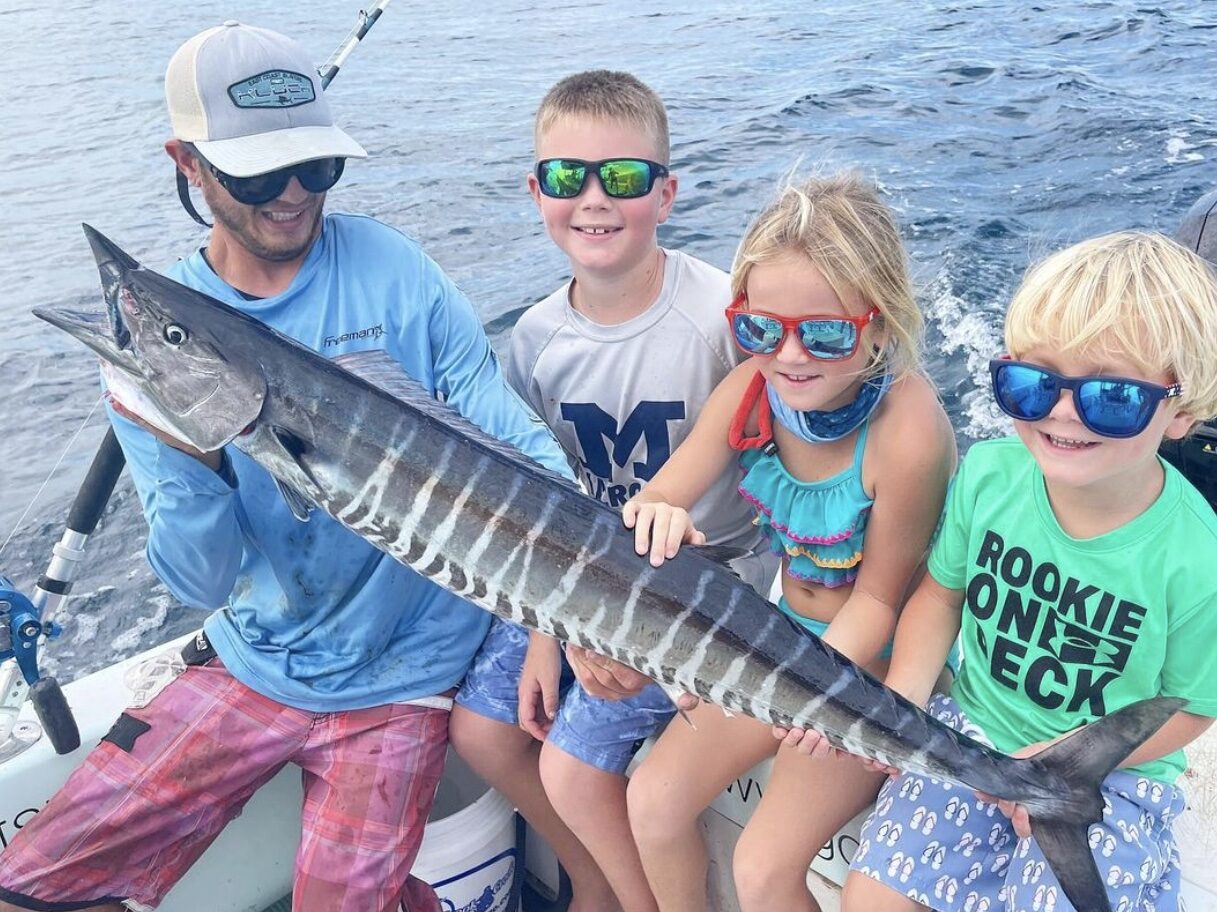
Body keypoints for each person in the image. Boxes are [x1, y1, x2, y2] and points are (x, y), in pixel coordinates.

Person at [0, 22, 573, 912]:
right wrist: (192, 459)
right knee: (27, 888)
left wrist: (574, 600)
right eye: (259, 173)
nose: (294, 195)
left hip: (409, 670)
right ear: (186, 162)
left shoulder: (392, 269)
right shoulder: (157, 350)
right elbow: (204, 576)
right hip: (252, 660)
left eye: (317, 167)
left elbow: (508, 436)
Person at [450, 70, 777, 912]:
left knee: (573, 761)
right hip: (570, 582)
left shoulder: (718, 315)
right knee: (481, 731)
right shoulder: (532, 339)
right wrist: (545, 633)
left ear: (665, 195)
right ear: (536, 192)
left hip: (702, 585)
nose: (593, 200)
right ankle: (590, 874)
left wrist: (625, 639)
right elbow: (522, 504)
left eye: (623, 178)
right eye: (567, 178)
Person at [839, 231, 1217, 912]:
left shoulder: (1197, 559)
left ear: (1180, 413)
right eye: (1033, 384)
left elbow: (1190, 709)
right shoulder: (987, 477)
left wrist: (1063, 760)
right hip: (974, 730)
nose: (1063, 413)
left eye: (1113, 398)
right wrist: (902, 704)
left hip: (1112, 769)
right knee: (871, 899)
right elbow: (939, 596)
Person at [622, 172, 957, 912]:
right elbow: (658, 497)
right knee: (651, 800)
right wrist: (660, 518)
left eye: (827, 331)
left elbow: (877, 600)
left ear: (877, 324)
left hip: (870, 669)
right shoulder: (750, 388)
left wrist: (804, 696)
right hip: (782, 642)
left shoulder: (907, 433)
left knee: (762, 868)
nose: (790, 354)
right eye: (761, 328)